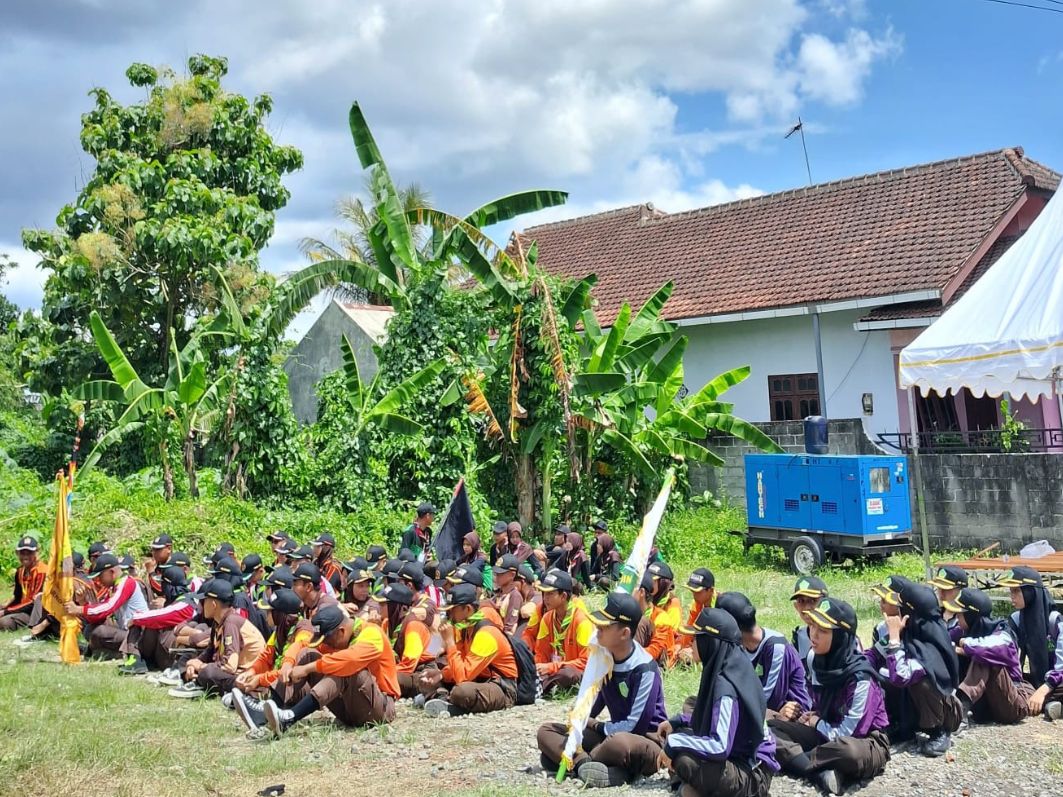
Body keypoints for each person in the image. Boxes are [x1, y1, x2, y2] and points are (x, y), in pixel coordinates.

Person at [537, 592, 668, 788]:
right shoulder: (603, 657)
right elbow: (593, 701)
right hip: (610, 734)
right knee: (546, 731)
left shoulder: (645, 668)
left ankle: (583, 762)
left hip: (642, 741)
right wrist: (579, 722)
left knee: (620, 744)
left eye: (604, 626)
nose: (597, 629)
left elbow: (636, 726)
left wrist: (596, 726)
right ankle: (588, 765)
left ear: (624, 634)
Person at [769, 598, 890, 796]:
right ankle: (819, 772)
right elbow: (818, 702)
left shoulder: (860, 678)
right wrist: (809, 716)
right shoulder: (814, 659)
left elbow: (850, 732)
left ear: (841, 637)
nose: (813, 635)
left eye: (823, 631)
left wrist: (816, 723)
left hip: (864, 740)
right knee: (771, 729)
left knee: (848, 751)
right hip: (826, 728)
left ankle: (796, 761)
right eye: (812, 627)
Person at [659, 607, 779, 797]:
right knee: (680, 735)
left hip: (753, 774)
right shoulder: (733, 665)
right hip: (738, 760)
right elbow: (714, 718)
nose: (692, 642)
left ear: (710, 643)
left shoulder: (726, 686)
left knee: (684, 759)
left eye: (697, 638)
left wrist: (673, 743)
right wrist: (678, 721)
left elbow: (720, 746)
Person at [262, 604, 400, 734]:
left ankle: (290, 717)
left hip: (381, 709)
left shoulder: (372, 633)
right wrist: (288, 662)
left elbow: (350, 659)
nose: (325, 645)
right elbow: (301, 644)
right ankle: (269, 709)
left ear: (341, 632)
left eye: (327, 641)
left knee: (346, 668)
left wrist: (308, 668)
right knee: (308, 654)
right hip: (348, 709)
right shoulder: (338, 637)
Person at [870, 580, 962, 756]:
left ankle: (938, 732)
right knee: (878, 675)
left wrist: (894, 639)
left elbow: (901, 676)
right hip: (917, 704)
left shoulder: (930, 644)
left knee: (920, 682)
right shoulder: (911, 633)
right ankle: (903, 725)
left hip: (947, 713)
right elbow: (872, 657)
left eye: (901, 608)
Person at [417, 583, 518, 718]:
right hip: (477, 679)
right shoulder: (466, 628)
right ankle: (444, 699)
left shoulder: (486, 634)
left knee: (462, 691)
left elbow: (462, 677)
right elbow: (460, 664)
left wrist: (449, 642)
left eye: (452, 610)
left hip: (501, 687)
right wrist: (441, 674)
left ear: (468, 609)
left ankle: (447, 702)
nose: (448, 615)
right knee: (428, 676)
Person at [944, 586, 1032, 725]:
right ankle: (955, 705)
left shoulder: (1003, 632)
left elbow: (985, 648)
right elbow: (943, 640)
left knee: (985, 657)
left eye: (960, 614)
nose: (957, 617)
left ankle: (962, 706)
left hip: (1015, 702)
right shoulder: (963, 630)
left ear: (971, 615)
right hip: (989, 705)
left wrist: (962, 645)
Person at [230, 588, 314, 732]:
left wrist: (260, 679)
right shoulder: (280, 630)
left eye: (270, 611)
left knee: (283, 678)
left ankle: (261, 714)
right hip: (279, 681)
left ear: (280, 614)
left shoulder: (304, 630)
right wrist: (252, 672)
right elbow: (266, 657)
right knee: (251, 681)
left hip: (301, 684)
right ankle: (257, 704)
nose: (266, 615)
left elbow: (287, 671)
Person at [716, 591, 811, 717]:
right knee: (695, 703)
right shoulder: (736, 646)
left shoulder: (776, 646)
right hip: (762, 709)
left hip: (792, 716)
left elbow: (770, 698)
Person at [169, 579, 265, 699]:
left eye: (204, 601)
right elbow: (210, 651)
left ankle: (200, 682)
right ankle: (196, 679)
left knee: (208, 673)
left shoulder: (231, 622)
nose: (202, 605)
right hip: (230, 670)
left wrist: (200, 666)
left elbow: (230, 665)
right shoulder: (219, 621)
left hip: (246, 676)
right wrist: (195, 663)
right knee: (189, 658)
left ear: (213, 604)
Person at [1000, 566, 1063, 720]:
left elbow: (1061, 667)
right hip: (1035, 681)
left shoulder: (1054, 621)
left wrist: (1044, 689)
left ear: (1030, 592)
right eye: (1011, 591)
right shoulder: (1016, 620)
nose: (1011, 597)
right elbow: (1010, 654)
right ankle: (1051, 705)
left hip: (1056, 681)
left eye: (1016, 591)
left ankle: (1049, 702)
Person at [119, 565, 202, 674]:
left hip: (171, 654)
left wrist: (135, 618)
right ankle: (136, 659)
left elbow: (160, 616)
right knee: (145, 621)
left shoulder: (185, 604)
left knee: (143, 620)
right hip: (165, 650)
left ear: (169, 586)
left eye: (163, 584)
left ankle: (136, 659)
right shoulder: (175, 601)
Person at [64, 552, 149, 659]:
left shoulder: (127, 583)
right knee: (90, 628)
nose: (98, 580)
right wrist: (83, 602)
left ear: (111, 572)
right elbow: (99, 615)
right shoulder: (114, 586)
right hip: (126, 630)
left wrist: (80, 609)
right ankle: (107, 652)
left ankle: (116, 653)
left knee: (99, 631)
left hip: (137, 635)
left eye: (100, 576)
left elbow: (108, 607)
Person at [532, 569, 594, 694]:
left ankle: (538, 687)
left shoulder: (581, 621)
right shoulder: (547, 618)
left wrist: (552, 667)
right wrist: (538, 667)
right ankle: (540, 684)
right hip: (553, 670)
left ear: (563, 596)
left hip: (575, 671)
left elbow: (586, 661)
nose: (545, 598)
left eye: (550, 594)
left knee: (568, 675)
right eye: (544, 594)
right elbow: (540, 653)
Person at [374, 582, 437, 698]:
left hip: (420, 670)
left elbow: (408, 665)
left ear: (398, 607)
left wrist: (382, 670)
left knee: (388, 677)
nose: (379, 607)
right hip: (401, 668)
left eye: (383, 604)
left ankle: (435, 693)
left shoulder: (413, 625)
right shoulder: (386, 623)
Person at [0, 536, 48, 632]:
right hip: (22, 608)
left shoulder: (42, 571)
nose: (25, 556)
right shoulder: (20, 571)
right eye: (22, 553)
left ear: (36, 553)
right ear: (18, 553)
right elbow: (17, 597)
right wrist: (5, 607)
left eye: (29, 553)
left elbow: (34, 602)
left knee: (4, 622)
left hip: (34, 612)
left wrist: (6, 612)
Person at [639, 561, 682, 668]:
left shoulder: (672, 603)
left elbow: (672, 632)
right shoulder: (644, 601)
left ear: (663, 583)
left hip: (663, 646)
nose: (650, 583)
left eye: (654, 581)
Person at [676, 568, 718, 665]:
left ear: (710, 590)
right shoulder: (697, 604)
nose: (694, 595)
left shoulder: (721, 606)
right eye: (692, 591)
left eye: (698, 592)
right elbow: (691, 629)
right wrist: (684, 647)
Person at [789, 576, 829, 668]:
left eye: (813, 600)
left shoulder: (841, 633)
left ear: (826, 603)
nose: (807, 607)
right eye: (801, 601)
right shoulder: (799, 638)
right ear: (796, 606)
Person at [928, 565, 969, 641]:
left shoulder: (969, 618)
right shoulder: (932, 615)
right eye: (939, 588)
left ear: (961, 590)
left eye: (946, 589)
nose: (941, 593)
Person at [493, 554, 525, 635]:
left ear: (512, 575)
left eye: (501, 574)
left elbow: (509, 628)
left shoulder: (514, 596)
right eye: (496, 573)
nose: (497, 576)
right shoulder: (498, 594)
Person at [143, 533, 174, 607]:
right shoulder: (159, 565)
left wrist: (150, 571)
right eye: (153, 549)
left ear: (169, 549)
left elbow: (161, 589)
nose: (154, 553)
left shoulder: (173, 566)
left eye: (158, 549)